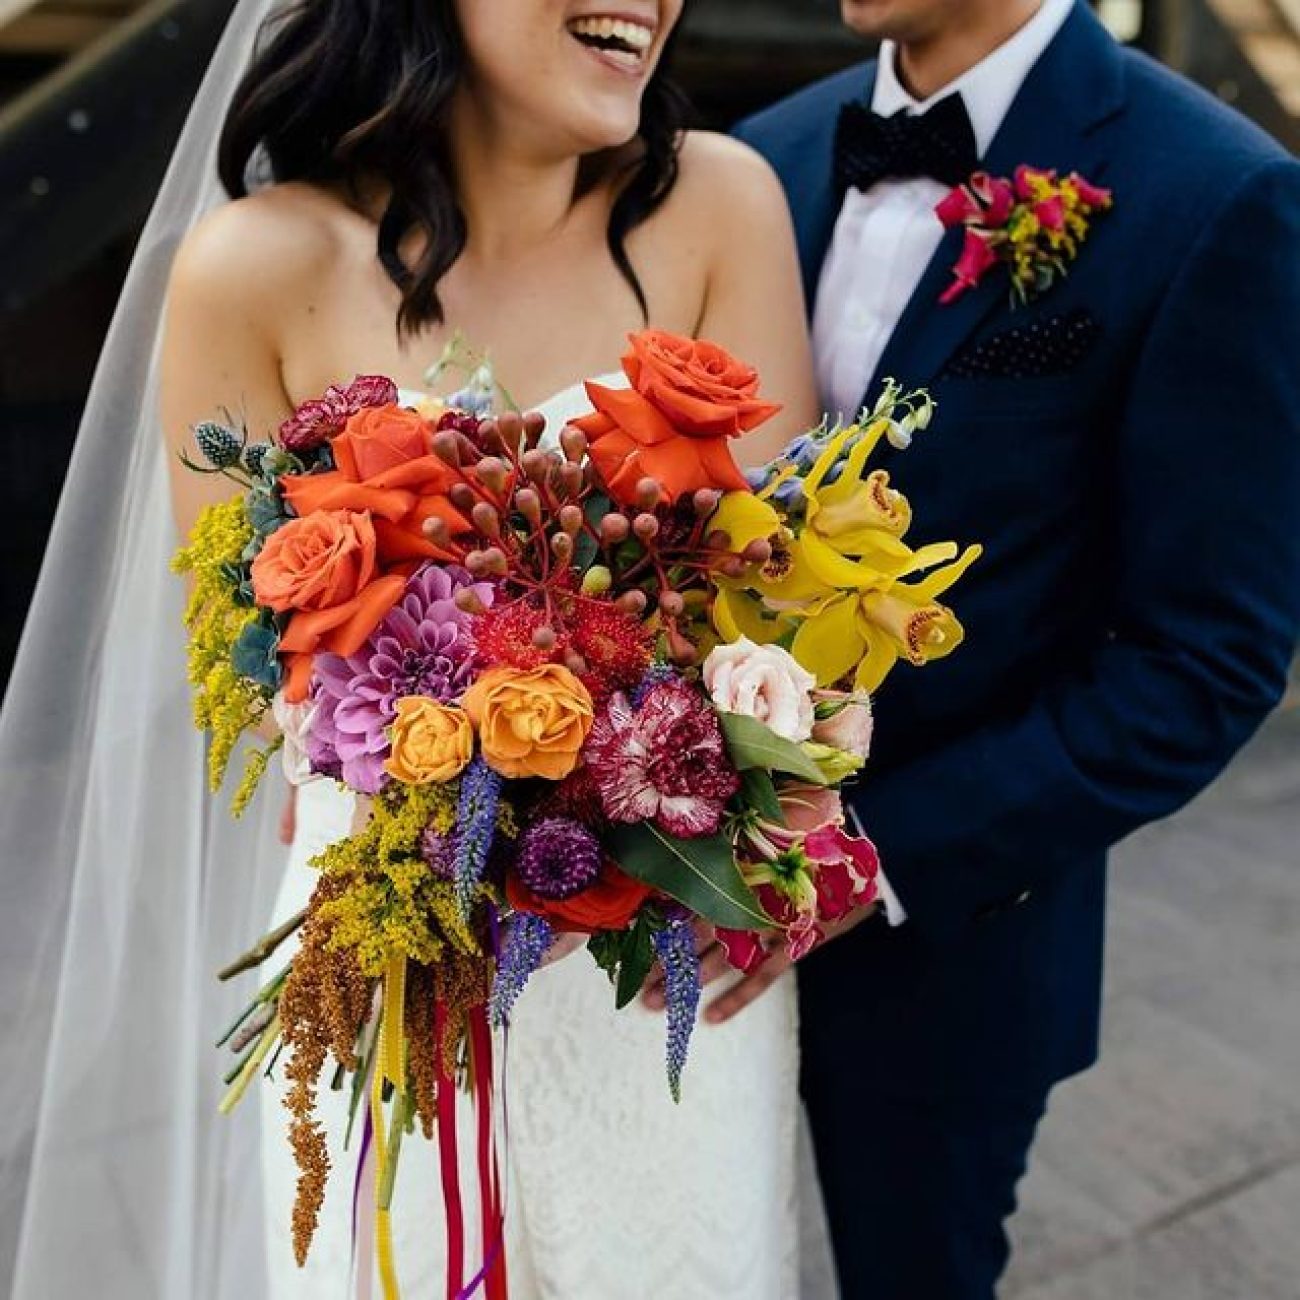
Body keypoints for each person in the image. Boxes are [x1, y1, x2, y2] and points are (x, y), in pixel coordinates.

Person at [0, 1, 825, 1298]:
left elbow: (781, 628)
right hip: (388, 977)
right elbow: (247, 671)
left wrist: (786, 836)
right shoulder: (252, 268)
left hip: (662, 984)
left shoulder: (723, 208)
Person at [729, 0, 1300, 1295]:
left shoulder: (1219, 193)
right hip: (669, 898)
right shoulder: (759, 153)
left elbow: (1204, 659)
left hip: (954, 941)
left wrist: (863, 856)